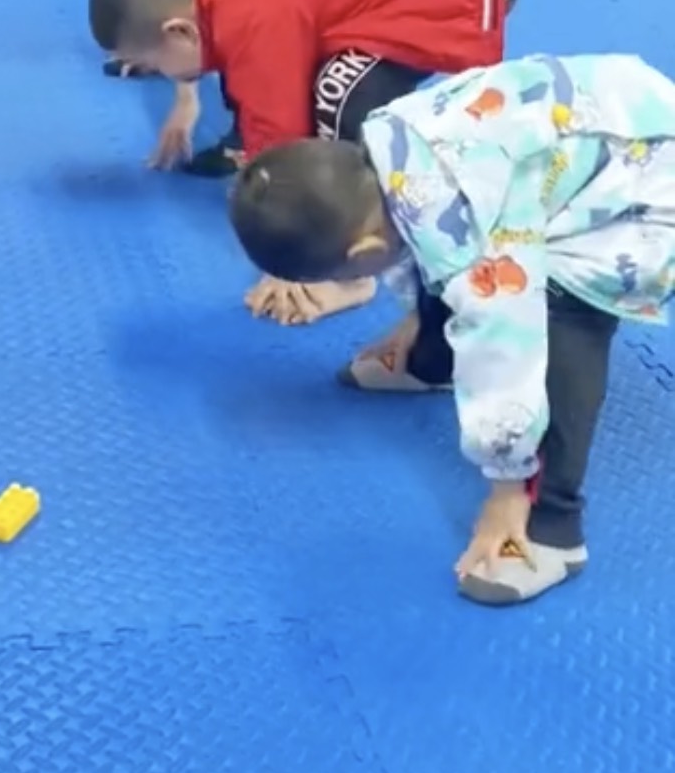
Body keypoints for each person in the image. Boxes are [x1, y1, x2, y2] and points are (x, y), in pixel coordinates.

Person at [227, 53, 675, 607]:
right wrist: (422, 321)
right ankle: (432, 362)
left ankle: (553, 523)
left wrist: (506, 484)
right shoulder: (385, 146)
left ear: (360, 254)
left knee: (564, 310)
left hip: (644, 180)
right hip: (606, 112)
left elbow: (503, 346)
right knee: (449, 257)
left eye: (340, 275)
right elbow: (424, 245)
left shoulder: (455, 211)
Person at [87, 0, 523, 310]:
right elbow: (240, 78)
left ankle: (353, 267)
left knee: (337, 95)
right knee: (311, 88)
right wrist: (188, 101)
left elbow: (280, 139)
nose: (162, 74)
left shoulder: (252, 17)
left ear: (180, 31)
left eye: (156, 65)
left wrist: (288, 254)